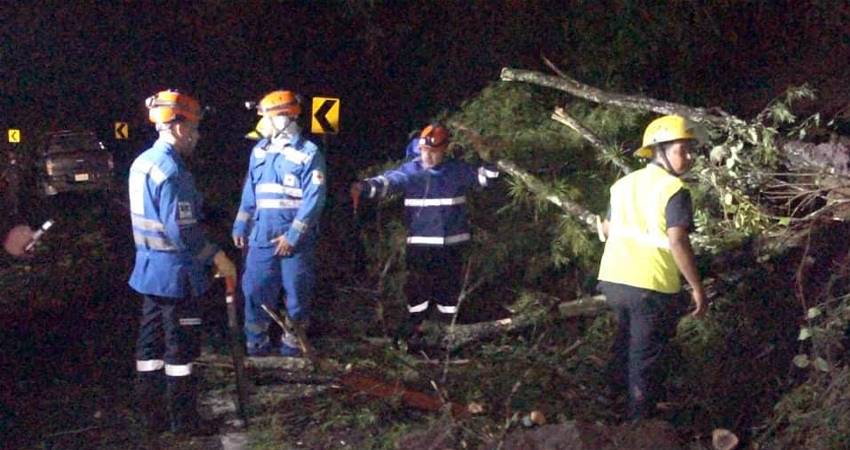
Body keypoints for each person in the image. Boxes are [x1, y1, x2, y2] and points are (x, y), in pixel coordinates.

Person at [128, 89, 237, 435]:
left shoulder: (142, 162)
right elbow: (183, 232)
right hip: (176, 276)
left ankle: (151, 418)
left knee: (149, 349)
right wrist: (217, 256)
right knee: (180, 353)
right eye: (194, 128)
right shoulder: (173, 171)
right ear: (177, 128)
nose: (197, 135)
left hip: (148, 273)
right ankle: (185, 424)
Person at [596, 115, 707, 423]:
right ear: (659, 151)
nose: (688, 157)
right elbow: (677, 240)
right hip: (650, 283)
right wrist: (696, 286)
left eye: (689, 150)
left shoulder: (623, 184)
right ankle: (639, 425)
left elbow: (605, 227)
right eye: (682, 150)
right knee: (644, 358)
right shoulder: (674, 189)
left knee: (625, 341)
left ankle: (608, 403)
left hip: (613, 280)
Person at [350, 123, 498, 347]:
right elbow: (389, 181)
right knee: (418, 289)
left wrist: (490, 159)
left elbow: (487, 179)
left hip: (453, 245)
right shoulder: (412, 171)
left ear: (444, 149)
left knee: (449, 292)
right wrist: (364, 187)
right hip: (421, 245)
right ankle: (415, 331)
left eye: (433, 151)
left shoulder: (456, 170)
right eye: (424, 151)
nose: (427, 156)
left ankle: (447, 334)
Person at [232, 90, 327, 357]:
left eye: (267, 116)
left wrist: (293, 236)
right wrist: (241, 223)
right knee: (254, 290)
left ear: (285, 118)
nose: (262, 122)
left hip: (295, 240)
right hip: (261, 234)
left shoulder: (308, 153)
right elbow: (250, 191)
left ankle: (292, 348)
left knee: (297, 294)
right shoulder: (259, 151)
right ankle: (256, 346)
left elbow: (314, 199)